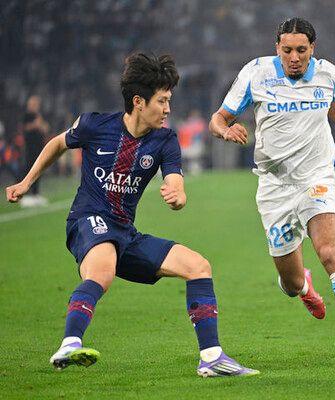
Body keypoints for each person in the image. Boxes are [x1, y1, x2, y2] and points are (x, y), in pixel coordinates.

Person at [5, 53, 258, 378]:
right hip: (87, 221)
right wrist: (27, 182)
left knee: (198, 267)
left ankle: (211, 358)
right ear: (138, 101)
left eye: (169, 101)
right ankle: (69, 343)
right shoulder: (94, 125)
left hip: (125, 232)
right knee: (103, 269)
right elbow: (57, 143)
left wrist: (178, 196)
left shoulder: (165, 139)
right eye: (162, 101)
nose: (168, 109)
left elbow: (175, 181)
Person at [208, 17, 335, 366]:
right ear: (277, 48)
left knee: (329, 251)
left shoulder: (327, 74)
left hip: (316, 177)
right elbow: (219, 117)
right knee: (289, 283)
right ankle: (304, 286)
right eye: (287, 50)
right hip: (274, 187)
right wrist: (225, 131)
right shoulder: (256, 74)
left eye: (301, 50)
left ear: (312, 49)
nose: (294, 57)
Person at [20, 95, 50, 207]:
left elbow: (45, 129)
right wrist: (35, 124)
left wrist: (41, 124)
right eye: (33, 104)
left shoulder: (39, 116)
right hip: (30, 147)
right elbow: (24, 128)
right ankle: (25, 194)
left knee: (39, 169)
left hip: (39, 147)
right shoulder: (27, 116)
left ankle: (35, 194)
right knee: (29, 169)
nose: (35, 106)